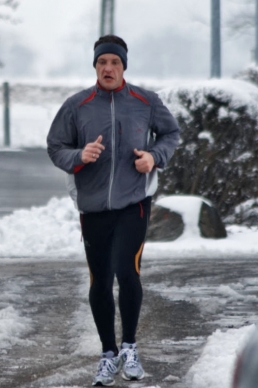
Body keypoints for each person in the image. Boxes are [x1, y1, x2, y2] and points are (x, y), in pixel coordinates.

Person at [47, 35, 180, 386]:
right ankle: (108, 353)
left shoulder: (145, 101)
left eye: (115, 63)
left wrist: (154, 157)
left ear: (124, 67)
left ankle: (130, 347)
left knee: (127, 271)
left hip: (133, 202)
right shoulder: (77, 106)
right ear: (95, 66)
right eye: (102, 62)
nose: (108, 68)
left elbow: (171, 134)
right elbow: (55, 146)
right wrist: (79, 156)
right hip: (92, 207)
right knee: (100, 279)